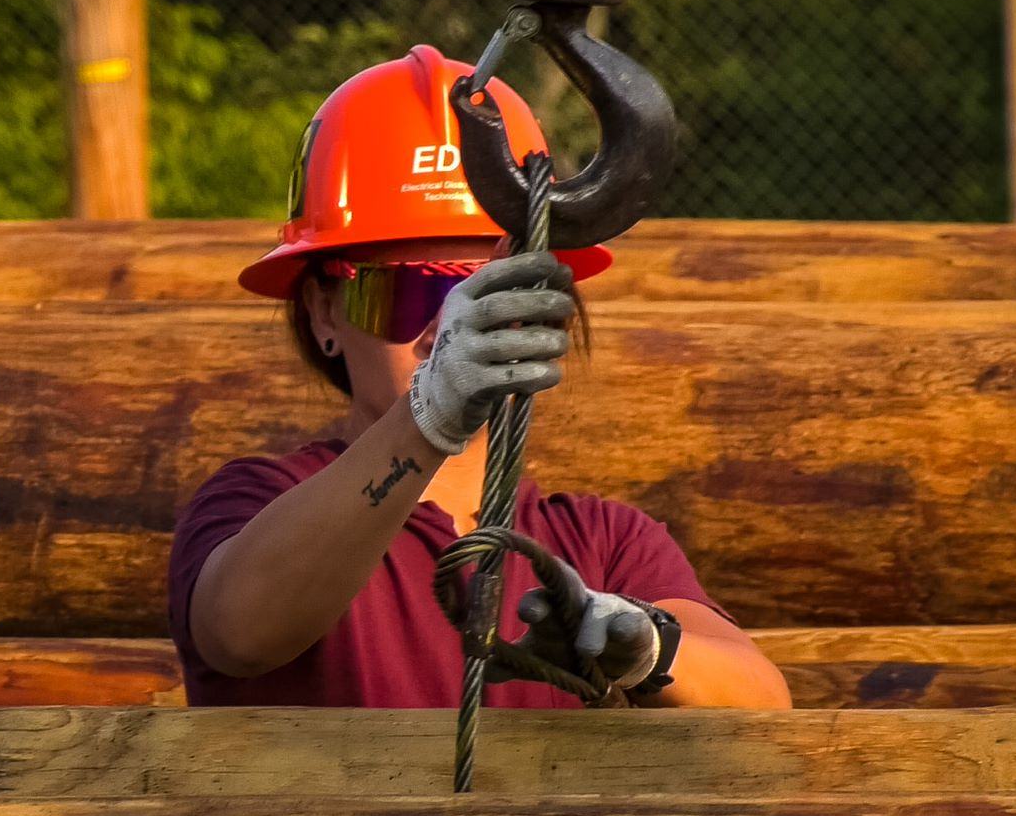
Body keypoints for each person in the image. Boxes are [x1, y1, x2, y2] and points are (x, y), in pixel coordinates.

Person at [168, 45, 791, 710]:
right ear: (323, 310)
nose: (448, 330)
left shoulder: (603, 543)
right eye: (406, 293)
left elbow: (762, 703)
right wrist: (429, 417)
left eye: (488, 295)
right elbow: (240, 630)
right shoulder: (256, 503)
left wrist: (649, 650)